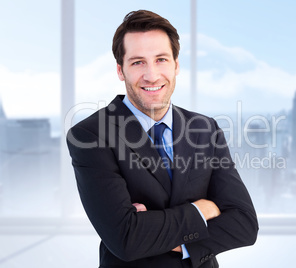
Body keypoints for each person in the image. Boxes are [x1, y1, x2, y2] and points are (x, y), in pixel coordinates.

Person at [67, 10, 258, 268]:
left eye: (161, 60)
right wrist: (203, 210)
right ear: (120, 70)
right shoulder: (91, 135)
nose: (152, 75)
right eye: (137, 62)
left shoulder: (205, 129)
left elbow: (244, 224)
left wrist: (168, 237)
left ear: (176, 65)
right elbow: (126, 239)